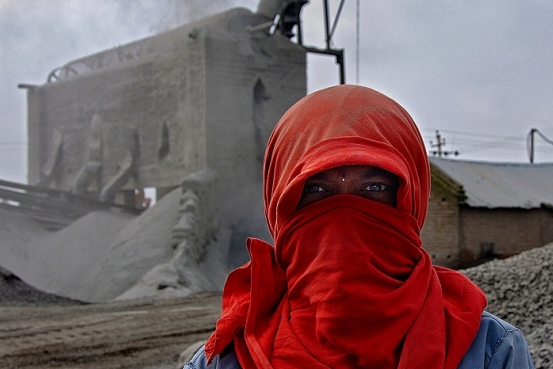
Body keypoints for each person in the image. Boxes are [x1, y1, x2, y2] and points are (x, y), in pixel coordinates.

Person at [184, 85, 534, 369]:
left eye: (375, 188)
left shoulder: (491, 351)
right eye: (315, 190)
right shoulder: (225, 360)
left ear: (411, 200)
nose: (344, 217)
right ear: (281, 205)